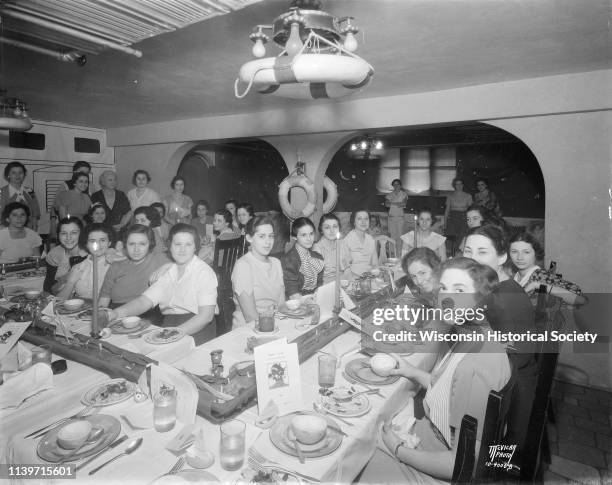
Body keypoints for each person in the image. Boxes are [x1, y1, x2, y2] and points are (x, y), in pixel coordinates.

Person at [360, 258, 510, 484]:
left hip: (443, 463)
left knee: (357, 459)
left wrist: (399, 450)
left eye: (460, 290)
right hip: (434, 437)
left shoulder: (475, 365)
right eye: (444, 288)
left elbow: (460, 465)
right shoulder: (476, 336)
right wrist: (412, 372)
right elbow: (452, 392)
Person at [463, 224, 537, 456]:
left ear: (502, 256)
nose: (472, 259)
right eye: (467, 251)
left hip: (509, 400)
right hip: (515, 376)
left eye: (482, 252)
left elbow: (515, 357)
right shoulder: (500, 284)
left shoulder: (503, 297)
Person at [108, 224, 217, 345]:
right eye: (177, 244)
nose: (182, 250)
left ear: (195, 247)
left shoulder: (204, 272)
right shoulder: (167, 272)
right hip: (170, 323)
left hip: (197, 328)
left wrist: (173, 333)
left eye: (188, 244)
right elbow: (144, 301)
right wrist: (116, 313)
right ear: (170, 246)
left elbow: (206, 316)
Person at [99, 225, 169, 312]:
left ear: (150, 245)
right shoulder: (116, 266)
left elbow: (188, 259)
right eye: (131, 244)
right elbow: (104, 300)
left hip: (149, 313)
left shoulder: (159, 259)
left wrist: (168, 266)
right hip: (116, 313)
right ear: (125, 245)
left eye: (142, 244)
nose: (136, 249)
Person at [231, 216, 285, 328]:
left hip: (273, 325)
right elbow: (251, 317)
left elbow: (281, 306)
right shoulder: (243, 266)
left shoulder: (276, 263)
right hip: (249, 329)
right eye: (261, 236)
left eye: (271, 236)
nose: (268, 242)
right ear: (249, 238)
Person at [509, 231, 586, 306]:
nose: (519, 257)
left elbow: (581, 300)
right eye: (514, 252)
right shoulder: (514, 277)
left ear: (536, 253)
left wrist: (538, 285)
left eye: (526, 252)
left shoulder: (541, 275)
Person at [56, 223, 113, 300]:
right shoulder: (78, 267)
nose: (98, 245)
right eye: (92, 241)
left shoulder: (114, 265)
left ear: (109, 243)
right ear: (86, 244)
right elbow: (59, 301)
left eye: (102, 240)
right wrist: (70, 283)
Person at [281, 217, 324, 299]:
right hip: (296, 303)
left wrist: (318, 295)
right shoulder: (288, 260)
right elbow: (292, 292)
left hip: (315, 300)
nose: (309, 239)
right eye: (303, 235)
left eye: (311, 234)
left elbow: (319, 284)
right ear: (294, 237)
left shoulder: (318, 257)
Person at [44, 217, 88, 294]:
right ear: (58, 235)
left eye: (74, 233)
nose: (68, 237)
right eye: (64, 233)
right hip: (62, 300)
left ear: (82, 234)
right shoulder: (54, 254)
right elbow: (48, 288)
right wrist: (66, 278)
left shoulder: (89, 254)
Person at [0, 162, 40, 231]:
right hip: (8, 231)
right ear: (8, 175)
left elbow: (35, 213)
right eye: (14, 173)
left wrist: (34, 228)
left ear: (24, 175)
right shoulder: (1, 192)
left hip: (28, 230)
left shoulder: (30, 191)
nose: (17, 175)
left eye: (20, 172)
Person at [312, 213, 349, 284]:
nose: (332, 231)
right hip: (325, 284)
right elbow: (316, 278)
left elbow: (347, 269)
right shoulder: (317, 248)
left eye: (335, 226)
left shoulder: (343, 244)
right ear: (321, 230)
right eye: (327, 227)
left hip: (344, 282)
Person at [344, 209, 378, 277]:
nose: (363, 222)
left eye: (366, 219)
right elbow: (346, 268)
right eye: (359, 219)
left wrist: (374, 274)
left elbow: (375, 263)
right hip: (353, 279)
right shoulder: (347, 240)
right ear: (354, 222)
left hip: (370, 277)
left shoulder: (370, 239)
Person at [444, 178, 472, 244]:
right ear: (454, 185)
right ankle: (452, 253)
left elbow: (471, 211)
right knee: (451, 239)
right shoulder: (450, 196)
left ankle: (459, 253)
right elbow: (447, 210)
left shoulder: (468, 196)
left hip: (464, 219)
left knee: (462, 239)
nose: (459, 186)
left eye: (460, 184)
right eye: (457, 184)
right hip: (452, 219)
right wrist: (445, 224)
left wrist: (470, 222)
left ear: (463, 185)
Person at [385, 178, 408, 253]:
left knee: (400, 236)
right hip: (391, 218)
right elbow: (387, 204)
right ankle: (392, 254)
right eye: (394, 184)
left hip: (400, 218)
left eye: (397, 184)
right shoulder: (389, 194)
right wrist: (398, 203)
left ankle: (400, 253)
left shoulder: (404, 194)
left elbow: (403, 204)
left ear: (400, 185)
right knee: (392, 236)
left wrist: (392, 203)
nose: (396, 186)